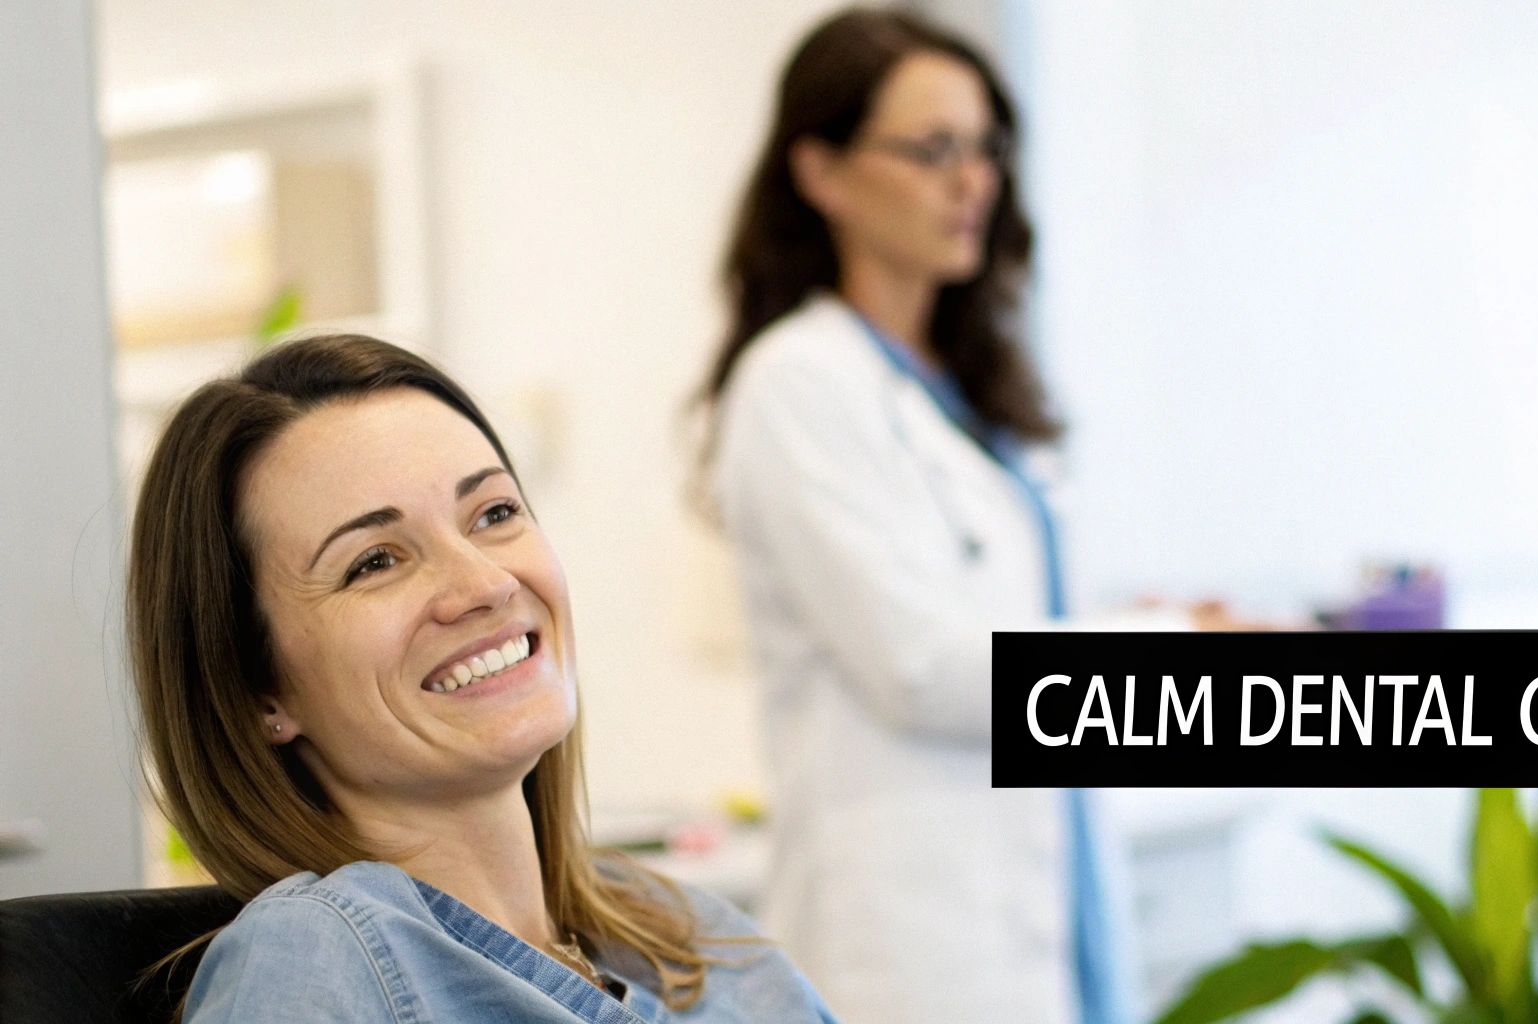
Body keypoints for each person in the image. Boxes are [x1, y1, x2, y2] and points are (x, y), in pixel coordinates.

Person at [698, 8, 1238, 1023]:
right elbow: (923, 666)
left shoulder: (976, 392)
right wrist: (1175, 645)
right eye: (931, 149)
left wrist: (1149, 616)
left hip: (1043, 913)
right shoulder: (797, 383)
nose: (972, 181)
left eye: (985, 148)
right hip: (914, 953)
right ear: (821, 173)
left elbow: (1002, 618)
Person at [129, 334, 838, 1023]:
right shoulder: (310, 955)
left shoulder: (684, 933)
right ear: (259, 693)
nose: (485, 582)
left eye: (494, 513)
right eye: (375, 561)